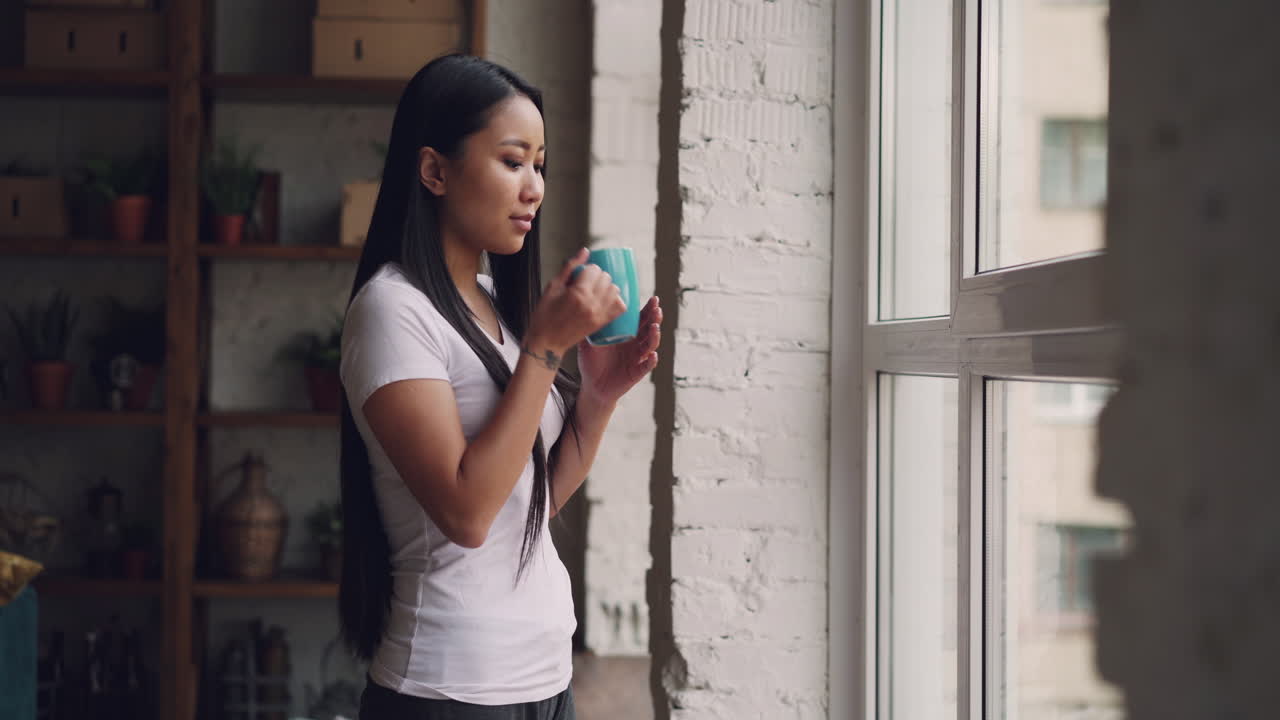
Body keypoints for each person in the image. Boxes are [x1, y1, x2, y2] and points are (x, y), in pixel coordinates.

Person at [337, 54, 662, 720]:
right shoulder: (392, 311)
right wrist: (545, 349)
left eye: (539, 165)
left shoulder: (492, 303)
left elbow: (524, 505)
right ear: (435, 171)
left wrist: (597, 399)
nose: (534, 187)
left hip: (542, 680)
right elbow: (468, 514)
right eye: (513, 161)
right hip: (450, 692)